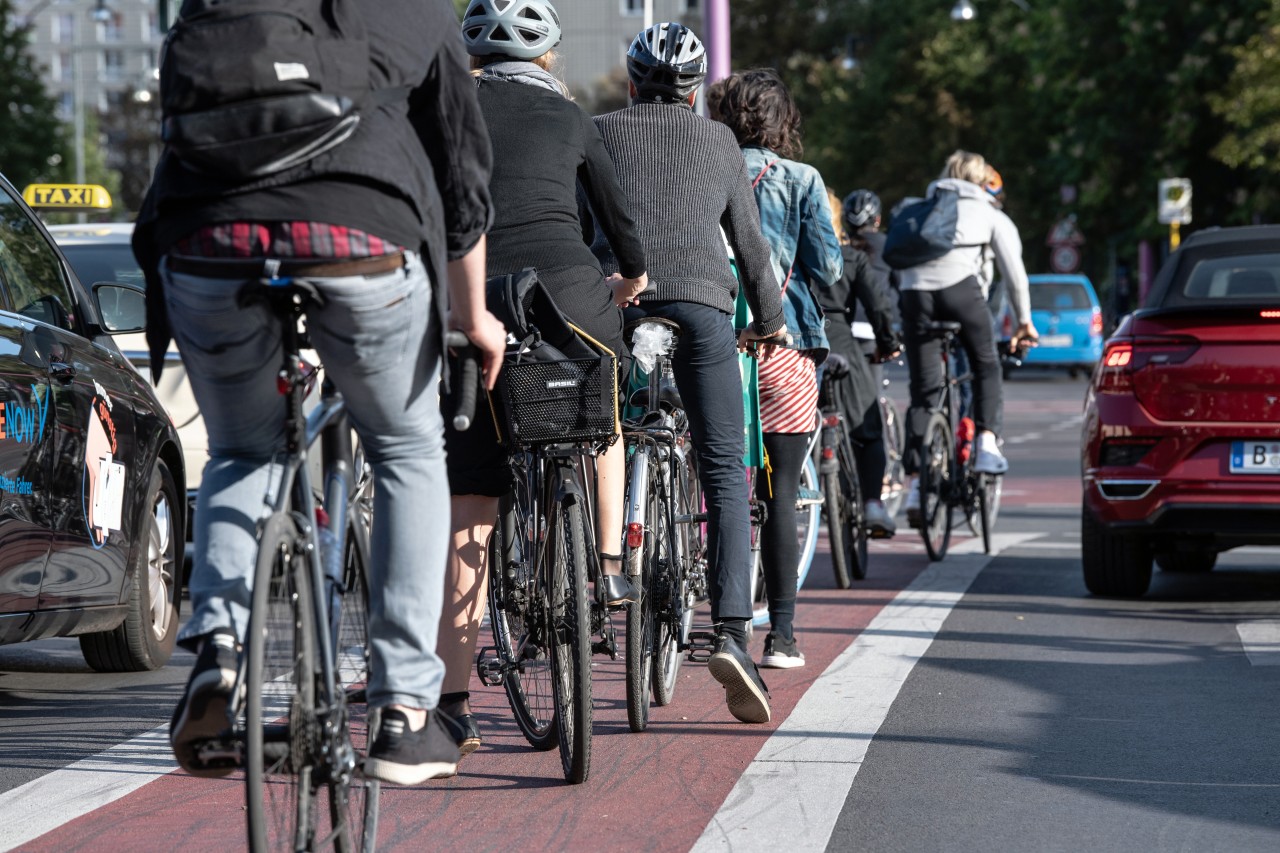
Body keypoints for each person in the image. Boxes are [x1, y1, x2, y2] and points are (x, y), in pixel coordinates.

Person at [132, 0, 507, 786]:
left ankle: (220, 654)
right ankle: (405, 711)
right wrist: (472, 317)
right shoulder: (418, 8)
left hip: (205, 239)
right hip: (361, 234)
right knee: (407, 447)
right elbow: (462, 181)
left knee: (242, 447)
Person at [436, 0, 648, 757]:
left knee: (472, 503)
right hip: (571, 295)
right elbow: (622, 229)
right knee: (602, 420)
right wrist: (627, 283)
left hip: (473, 300)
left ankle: (452, 706)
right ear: (551, 57)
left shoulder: (443, 110)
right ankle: (612, 565)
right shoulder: (574, 117)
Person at [590, 22, 787, 722]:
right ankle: (732, 631)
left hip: (618, 302)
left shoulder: (601, 130)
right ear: (695, 89)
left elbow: (586, 227)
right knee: (725, 467)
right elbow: (751, 246)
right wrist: (768, 321)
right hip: (705, 307)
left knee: (597, 436)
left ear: (634, 80)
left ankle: (599, 578)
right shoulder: (721, 141)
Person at [706, 69, 841, 670]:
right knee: (779, 495)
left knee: (714, 486)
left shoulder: (702, 167)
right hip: (783, 348)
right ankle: (781, 635)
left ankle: (716, 625)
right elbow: (829, 270)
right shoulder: (803, 180)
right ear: (784, 122)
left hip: (713, 344)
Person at [899, 150, 1037, 529]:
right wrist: (1024, 323)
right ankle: (987, 445)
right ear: (982, 182)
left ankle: (915, 485)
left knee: (923, 391)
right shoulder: (989, 213)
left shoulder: (921, 205)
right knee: (986, 364)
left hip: (914, 297)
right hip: (960, 292)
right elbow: (1015, 275)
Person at [819, 187, 901, 537]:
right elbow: (879, 305)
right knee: (867, 427)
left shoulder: (785, 254)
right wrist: (889, 342)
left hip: (789, 345)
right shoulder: (850, 257)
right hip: (840, 341)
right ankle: (871, 504)